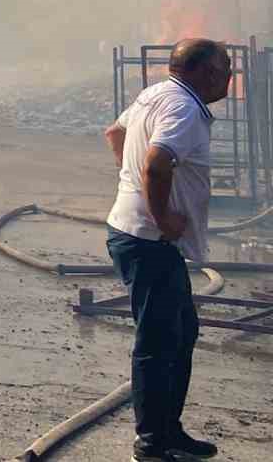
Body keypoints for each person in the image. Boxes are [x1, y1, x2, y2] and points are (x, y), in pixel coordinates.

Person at [104, 38, 232, 462]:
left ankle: (168, 430)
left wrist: (132, 185)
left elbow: (116, 132)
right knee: (159, 342)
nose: (228, 77)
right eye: (224, 69)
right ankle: (153, 443)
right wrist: (161, 215)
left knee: (181, 333)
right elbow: (157, 163)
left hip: (140, 236)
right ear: (203, 71)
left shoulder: (156, 93)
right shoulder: (184, 109)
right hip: (149, 240)